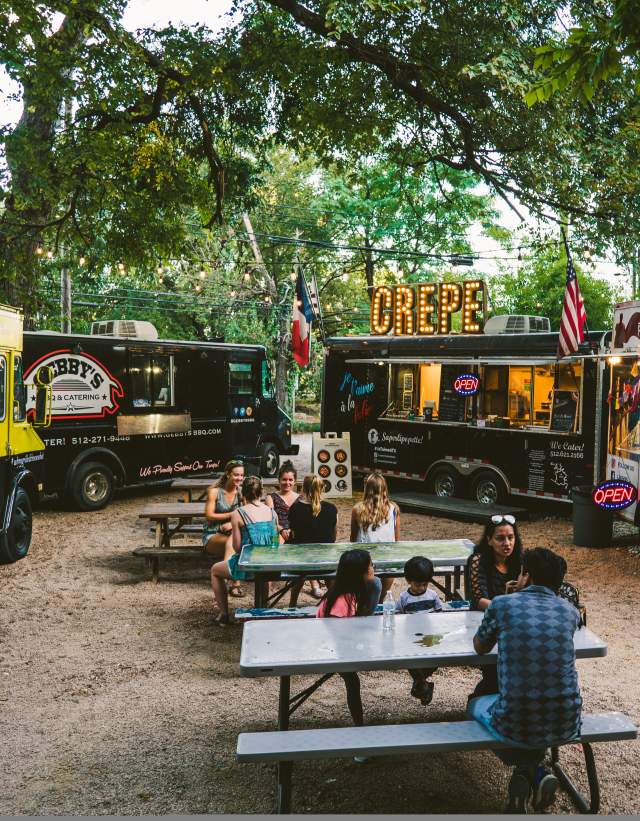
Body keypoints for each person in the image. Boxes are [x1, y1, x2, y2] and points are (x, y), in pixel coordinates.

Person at [469, 547, 581, 813]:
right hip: (566, 720)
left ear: (526, 576)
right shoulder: (569, 611)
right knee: (538, 706)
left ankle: (526, 771)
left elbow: (480, 647)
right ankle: (533, 773)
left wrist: (506, 602)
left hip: (516, 722)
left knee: (473, 704)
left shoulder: (503, 604)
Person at [316, 548, 382, 733]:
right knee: (352, 682)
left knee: (376, 583)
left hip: (345, 640)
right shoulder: (341, 602)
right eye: (370, 565)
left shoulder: (352, 593)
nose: (373, 568)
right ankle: (359, 727)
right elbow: (335, 635)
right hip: (332, 648)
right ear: (359, 574)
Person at [468, 514, 524, 699]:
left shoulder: (521, 560)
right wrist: (505, 603)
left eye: (511, 537)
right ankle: (482, 698)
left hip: (514, 622)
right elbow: (477, 599)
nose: (507, 543)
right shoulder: (478, 560)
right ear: (489, 540)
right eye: (500, 538)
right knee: (493, 669)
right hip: (484, 620)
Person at [210, 475, 278, 626]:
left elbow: (237, 547)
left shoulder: (238, 513)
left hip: (247, 566)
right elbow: (275, 542)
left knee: (215, 570)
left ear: (243, 493)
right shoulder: (272, 512)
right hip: (268, 564)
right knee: (264, 573)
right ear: (261, 492)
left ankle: (224, 614)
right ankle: (263, 609)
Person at [266, 463, 322, 600]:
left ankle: (314, 583)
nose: (287, 482)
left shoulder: (300, 497)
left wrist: (293, 530)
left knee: (306, 548)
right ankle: (268, 583)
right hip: (277, 529)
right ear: (279, 480)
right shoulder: (271, 497)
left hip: (297, 531)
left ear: (295, 481)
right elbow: (270, 519)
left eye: (290, 480)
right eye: (284, 479)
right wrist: (281, 530)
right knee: (273, 547)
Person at [396, 556, 442, 706]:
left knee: (433, 661)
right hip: (411, 638)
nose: (421, 588)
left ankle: (421, 684)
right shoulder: (404, 598)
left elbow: (439, 615)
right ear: (408, 581)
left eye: (425, 584)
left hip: (430, 637)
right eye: (417, 584)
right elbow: (398, 616)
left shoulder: (433, 596)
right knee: (411, 662)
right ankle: (423, 685)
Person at [288, 475, 338, 606]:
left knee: (298, 578)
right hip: (326, 560)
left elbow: (293, 535)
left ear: (303, 488)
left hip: (301, 562)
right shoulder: (332, 509)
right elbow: (333, 537)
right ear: (322, 489)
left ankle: (292, 603)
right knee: (331, 579)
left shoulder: (295, 509)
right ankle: (329, 604)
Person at [350, 472, 400, 599]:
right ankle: (381, 599)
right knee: (390, 568)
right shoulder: (394, 508)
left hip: (366, 558)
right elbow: (396, 537)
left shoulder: (357, 509)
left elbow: (353, 538)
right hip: (388, 557)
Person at [204, 460, 244, 598]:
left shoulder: (241, 493)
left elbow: (247, 514)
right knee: (236, 544)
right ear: (228, 474)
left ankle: (226, 577)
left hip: (232, 536)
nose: (239, 478)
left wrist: (232, 524)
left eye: (241, 475)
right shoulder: (214, 492)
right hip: (213, 535)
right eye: (236, 475)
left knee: (234, 541)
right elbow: (209, 515)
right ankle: (234, 583)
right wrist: (232, 516)